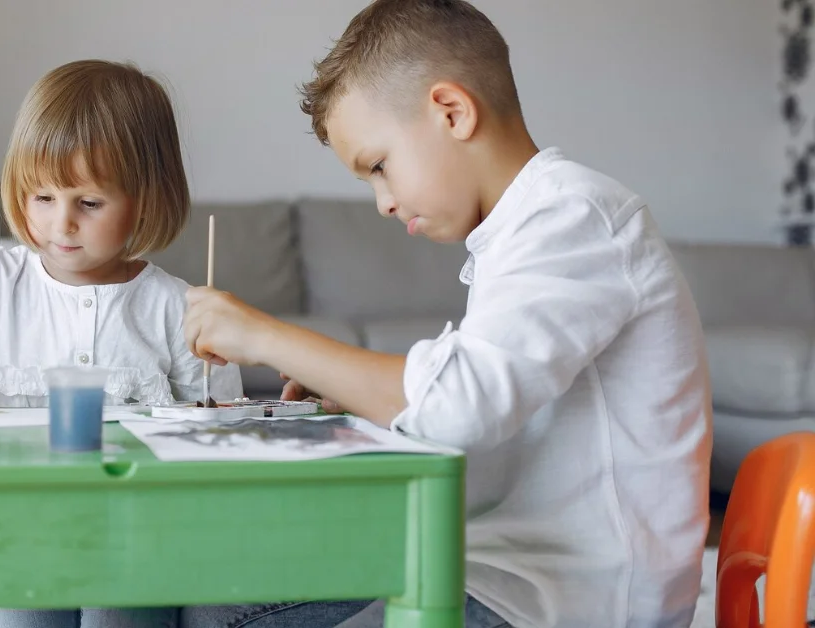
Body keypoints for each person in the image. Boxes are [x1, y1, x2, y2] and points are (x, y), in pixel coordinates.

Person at [181, 1, 712, 626]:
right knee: (210, 595)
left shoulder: (574, 214)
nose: (382, 202)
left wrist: (264, 336)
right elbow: (480, 404)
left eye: (379, 166)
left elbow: (459, 407)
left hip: (561, 599)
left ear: (452, 112)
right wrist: (362, 397)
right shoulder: (519, 231)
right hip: (487, 565)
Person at [0, 59, 243, 628]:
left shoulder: (179, 310)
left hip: (139, 539)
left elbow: (221, 437)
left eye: (89, 203)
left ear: (146, 199)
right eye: (42, 197)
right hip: (15, 533)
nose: (61, 224)